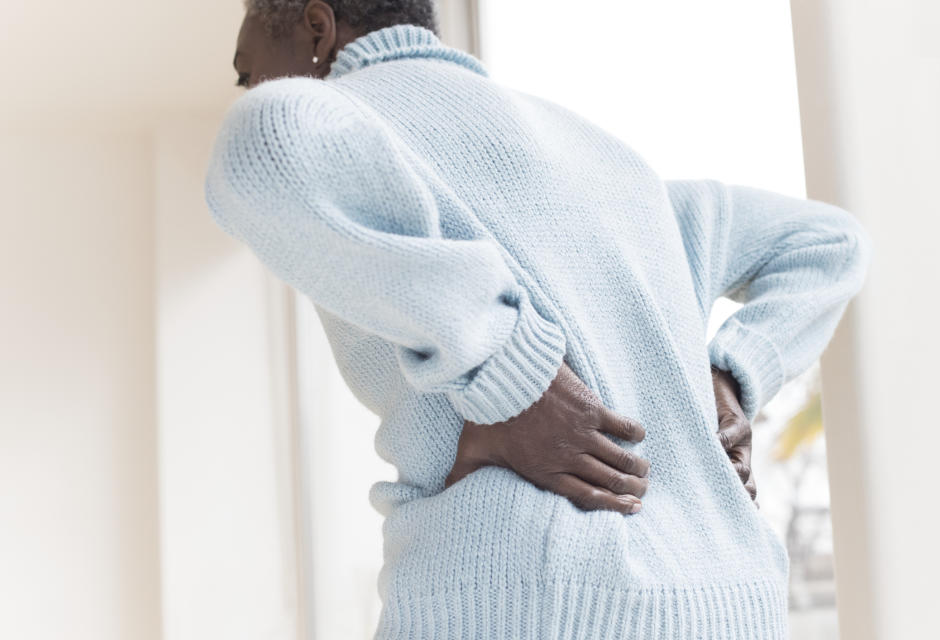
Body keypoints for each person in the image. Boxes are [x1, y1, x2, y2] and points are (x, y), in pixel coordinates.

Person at [204, 1, 872, 637]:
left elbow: (260, 145)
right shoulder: (612, 166)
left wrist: (515, 384)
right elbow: (830, 242)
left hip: (521, 599)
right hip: (729, 600)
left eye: (247, 68)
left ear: (317, 29)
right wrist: (731, 378)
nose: (251, 88)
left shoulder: (354, 117)